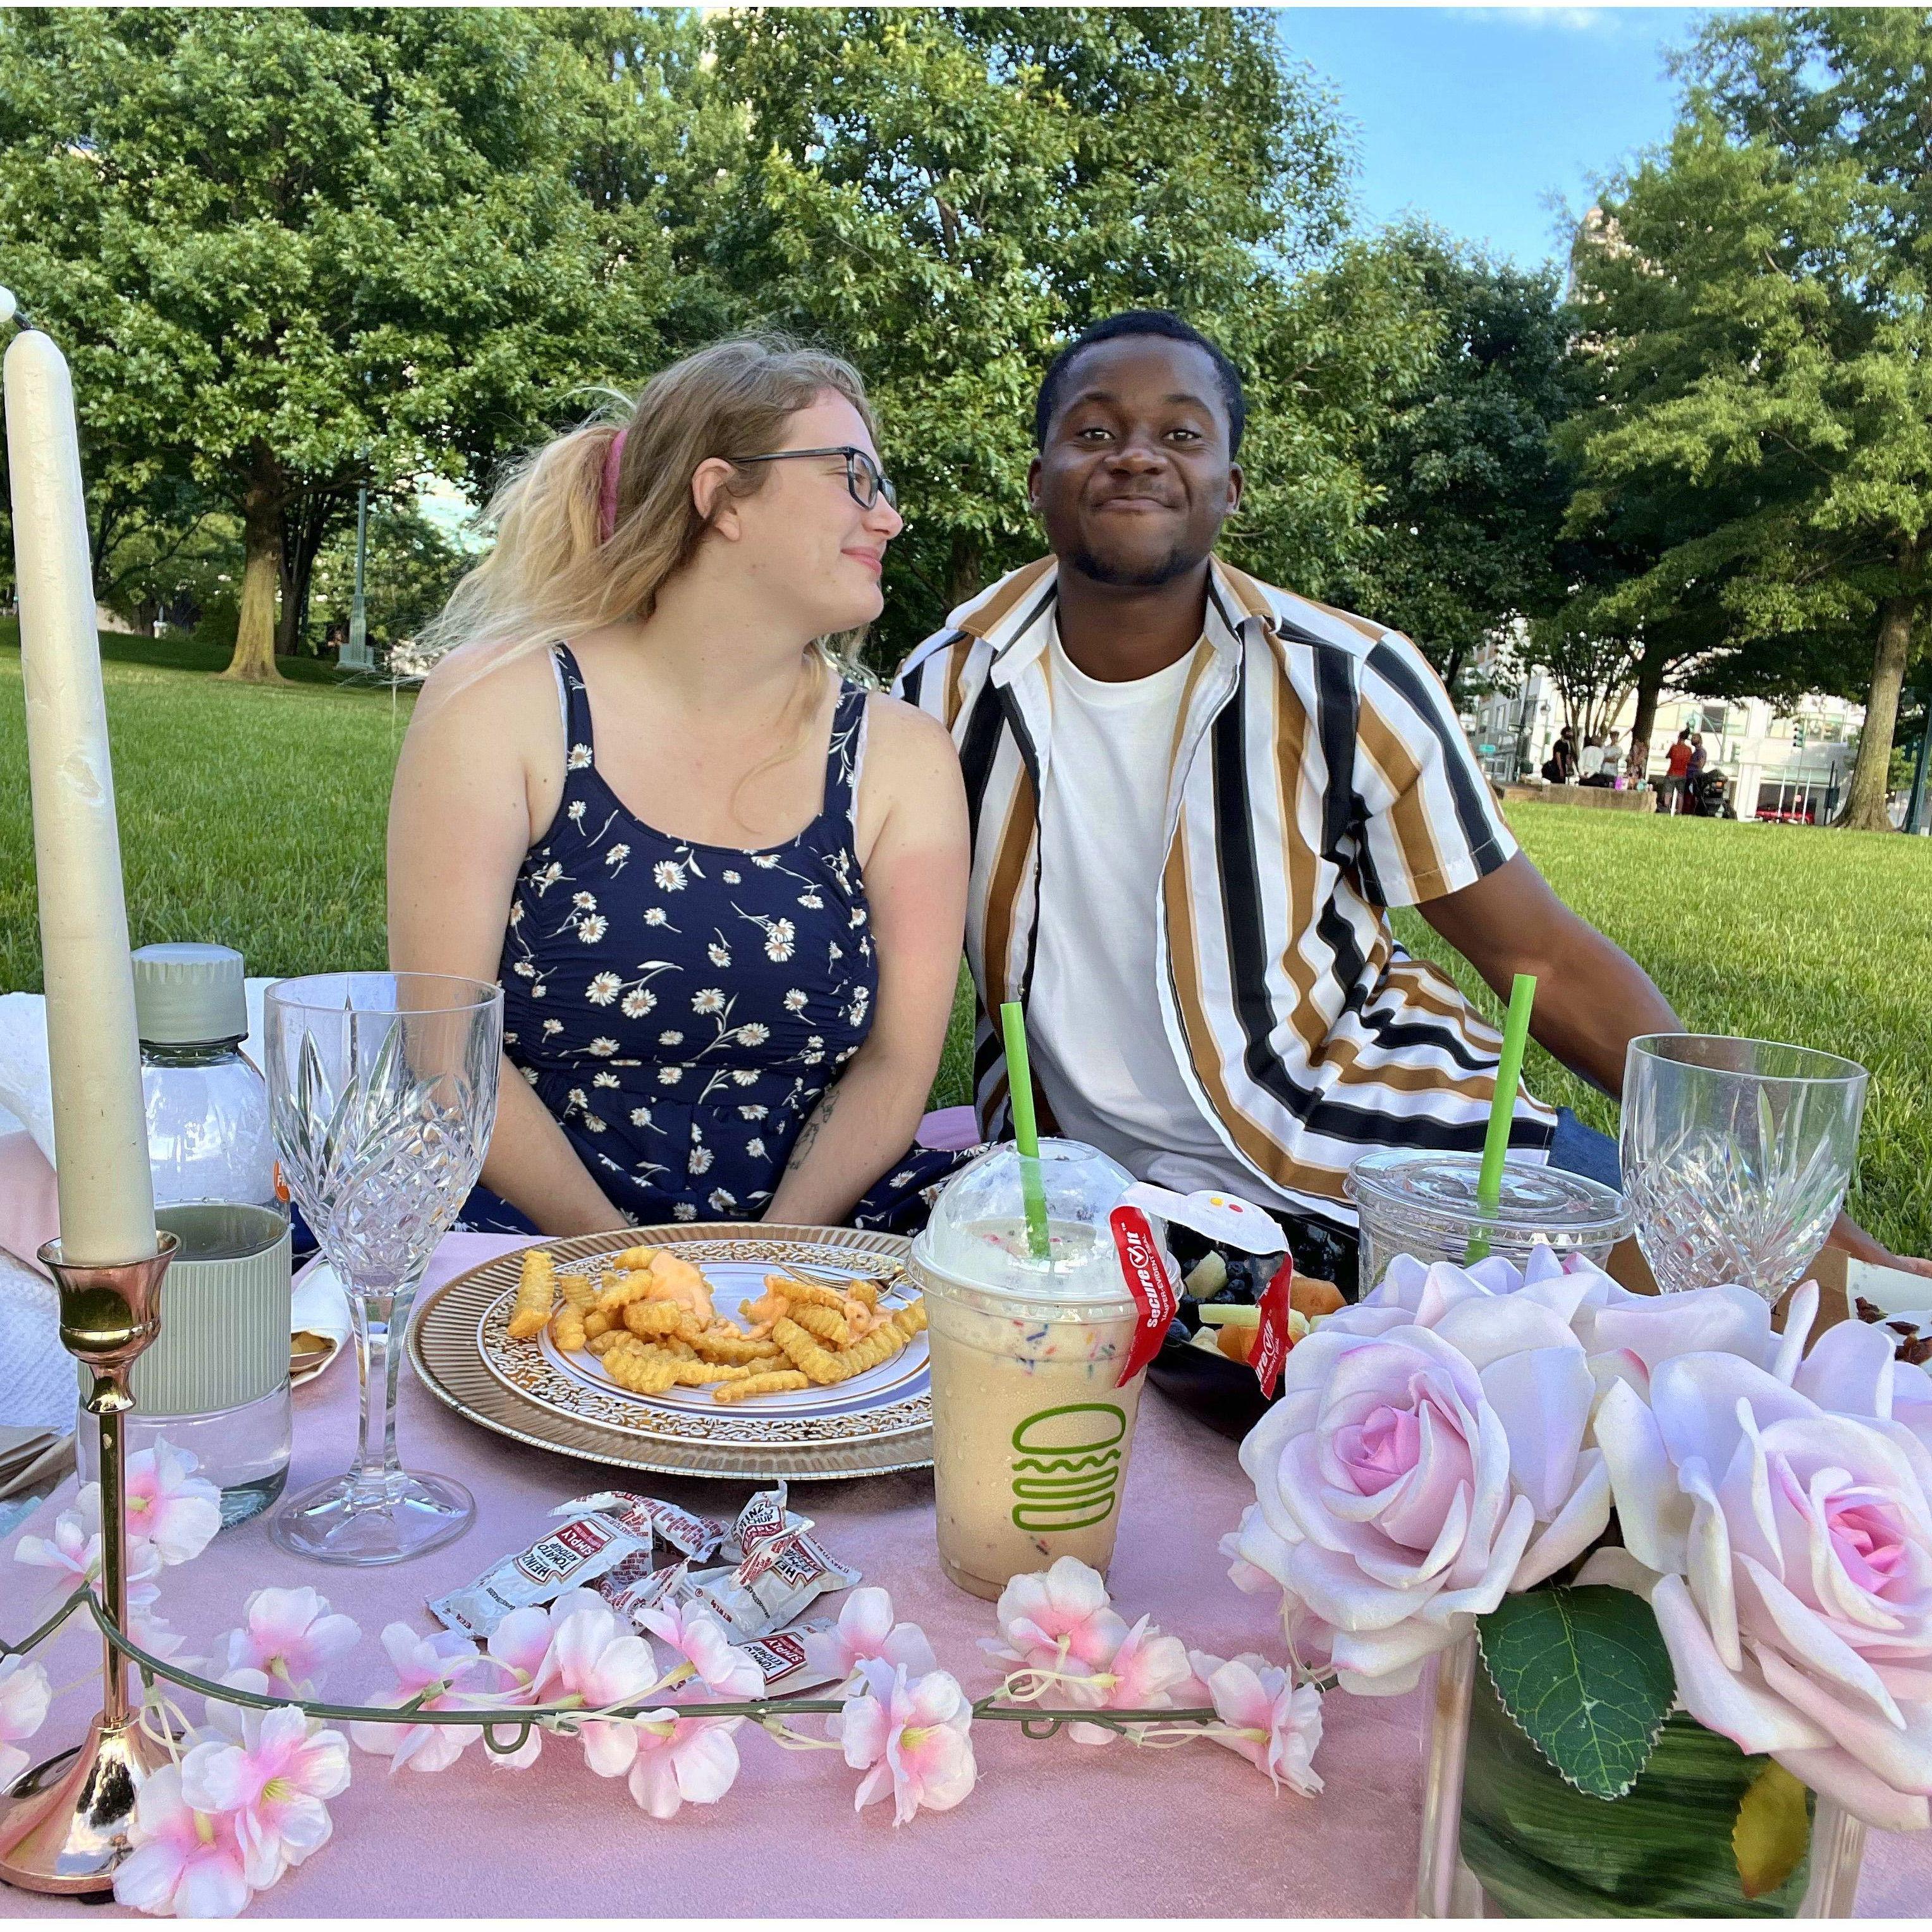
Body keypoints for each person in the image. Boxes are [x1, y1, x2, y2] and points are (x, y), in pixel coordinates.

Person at [894, 308, 1923, 1283]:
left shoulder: (1345, 679)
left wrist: (1796, 1209)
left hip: (1400, 1144)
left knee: (1783, 1299)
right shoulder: (940, 691)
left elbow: (1540, 956)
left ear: (1231, 486)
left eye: (1182, 432)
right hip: (1090, 1191)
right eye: (1095, 430)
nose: (1136, 453)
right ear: (1038, 480)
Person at [388, 337, 972, 1235]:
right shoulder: (503, 702)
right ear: (721, 497)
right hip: (517, 1237)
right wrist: (626, 1271)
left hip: (805, 1247)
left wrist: (760, 1268)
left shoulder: (903, 755)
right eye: (852, 475)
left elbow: (896, 1069)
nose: (888, 516)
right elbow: (444, 1049)